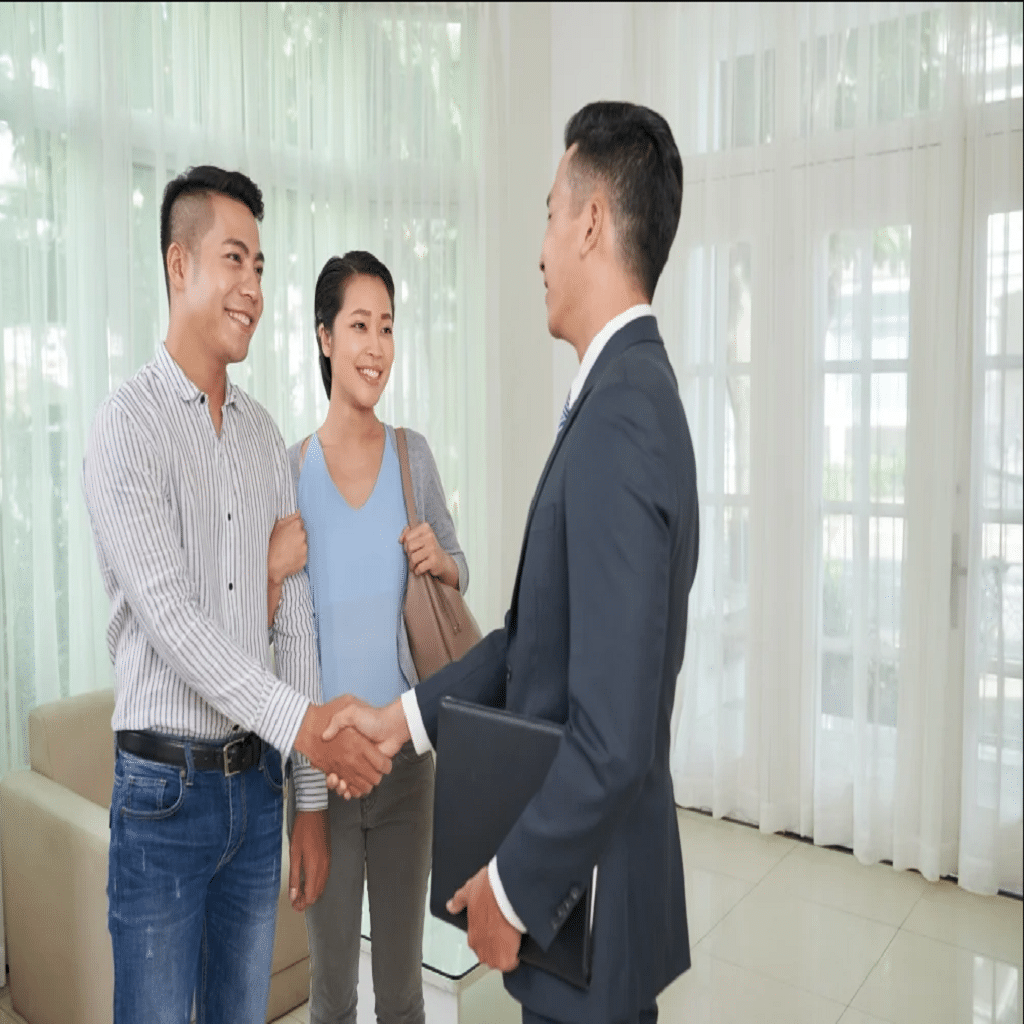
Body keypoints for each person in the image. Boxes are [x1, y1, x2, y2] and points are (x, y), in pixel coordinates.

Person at [324, 101, 698, 1024]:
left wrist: (515, 890)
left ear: (592, 223)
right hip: (591, 903)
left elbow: (611, 737)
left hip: (583, 905)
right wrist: (403, 717)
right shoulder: (621, 394)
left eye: (545, 213)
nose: (537, 249)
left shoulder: (621, 417)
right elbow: (534, 641)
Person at [81, 166, 396, 1024]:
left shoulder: (263, 437)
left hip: (255, 797)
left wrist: (306, 802)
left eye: (261, 267)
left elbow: (291, 623)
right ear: (180, 266)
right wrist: (309, 727)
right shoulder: (126, 427)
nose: (255, 289)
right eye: (236, 261)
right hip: (162, 797)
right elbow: (174, 620)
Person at [266, 250, 470, 1024]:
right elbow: (281, 645)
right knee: (332, 994)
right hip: (320, 774)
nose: (376, 346)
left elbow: (458, 571)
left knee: (402, 993)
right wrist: (310, 791)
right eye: (359, 325)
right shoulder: (286, 472)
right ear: (324, 337)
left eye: (387, 327)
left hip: (406, 765)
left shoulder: (412, 455)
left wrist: (443, 562)